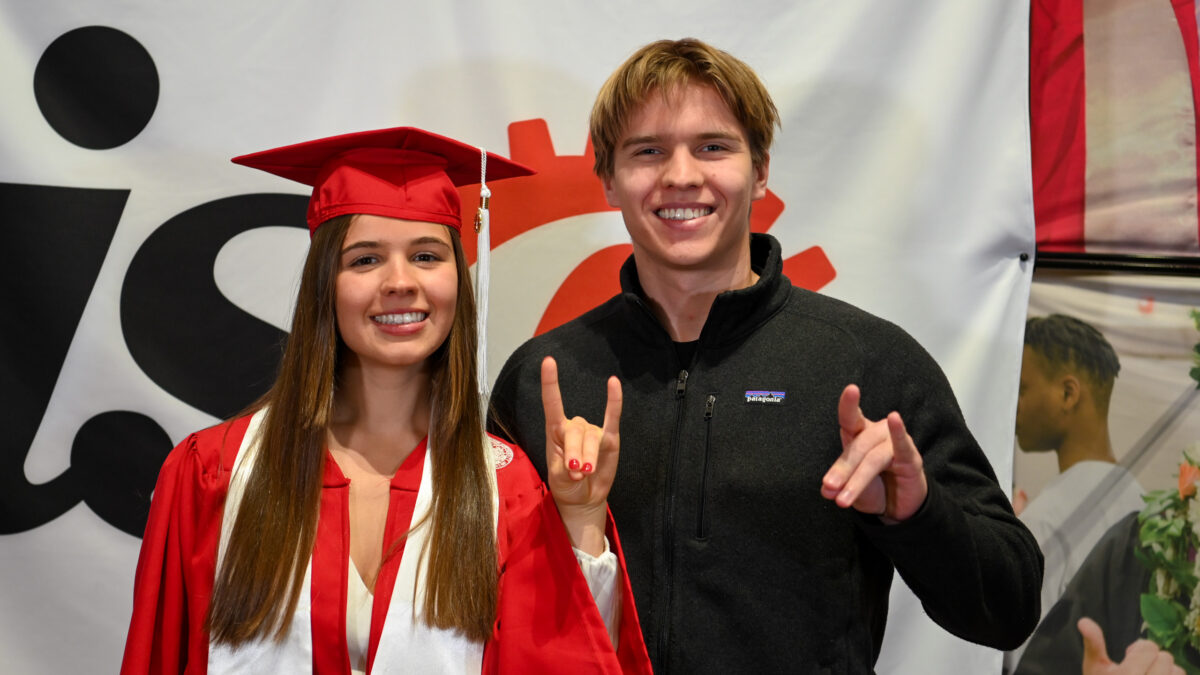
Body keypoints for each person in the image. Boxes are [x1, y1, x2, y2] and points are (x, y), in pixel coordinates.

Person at [488, 38, 1043, 672]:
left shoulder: (867, 363)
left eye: (713, 147)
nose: (681, 176)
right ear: (608, 181)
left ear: (760, 169)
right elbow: (475, 608)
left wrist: (919, 515)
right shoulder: (544, 379)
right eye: (648, 151)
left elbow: (1011, 605)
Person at [120, 127, 652, 673]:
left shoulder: (503, 489)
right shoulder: (214, 473)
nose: (400, 282)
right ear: (325, 284)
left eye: (426, 255)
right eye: (365, 260)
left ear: (457, 282)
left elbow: (559, 662)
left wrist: (583, 518)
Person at [1007, 314, 1145, 669]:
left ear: (1068, 394)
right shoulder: (1145, 506)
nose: (1014, 405)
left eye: (1022, 389)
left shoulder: (1046, 521)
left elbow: (1027, 659)